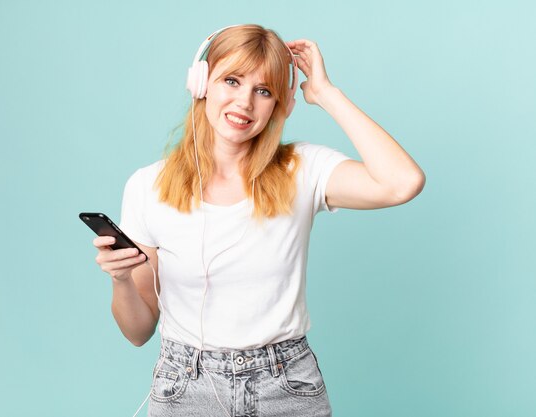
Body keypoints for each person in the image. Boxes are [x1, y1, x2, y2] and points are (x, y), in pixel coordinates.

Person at [92, 24, 425, 417]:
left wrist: (327, 95)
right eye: (231, 81)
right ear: (201, 82)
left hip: (285, 384)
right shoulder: (148, 186)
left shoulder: (303, 169)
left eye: (263, 90)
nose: (245, 102)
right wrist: (121, 280)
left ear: (280, 104)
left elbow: (403, 182)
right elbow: (137, 332)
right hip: (186, 386)